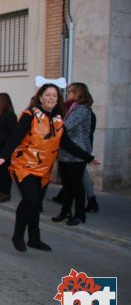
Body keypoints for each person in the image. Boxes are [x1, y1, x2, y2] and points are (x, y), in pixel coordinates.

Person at [0, 78, 98, 252]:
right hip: (24, 166)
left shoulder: (58, 120)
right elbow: (15, 136)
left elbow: (67, 144)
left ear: (58, 99)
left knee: (36, 204)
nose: (51, 98)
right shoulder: (30, 115)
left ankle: (34, 238)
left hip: (44, 169)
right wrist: (4, 158)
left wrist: (88, 157)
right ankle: (18, 236)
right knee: (30, 199)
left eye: (54, 95)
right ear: (40, 97)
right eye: (47, 94)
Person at [51, 82, 94, 226]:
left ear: (78, 94)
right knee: (67, 185)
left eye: (70, 92)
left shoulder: (81, 110)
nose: (67, 94)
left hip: (76, 153)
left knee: (76, 186)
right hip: (65, 153)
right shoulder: (71, 109)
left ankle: (79, 214)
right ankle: (65, 212)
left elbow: (65, 127)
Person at [0, 93, 17, 202]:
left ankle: (6, 193)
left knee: (6, 171)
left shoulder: (10, 115)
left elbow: (13, 133)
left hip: (4, 148)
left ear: (3, 102)